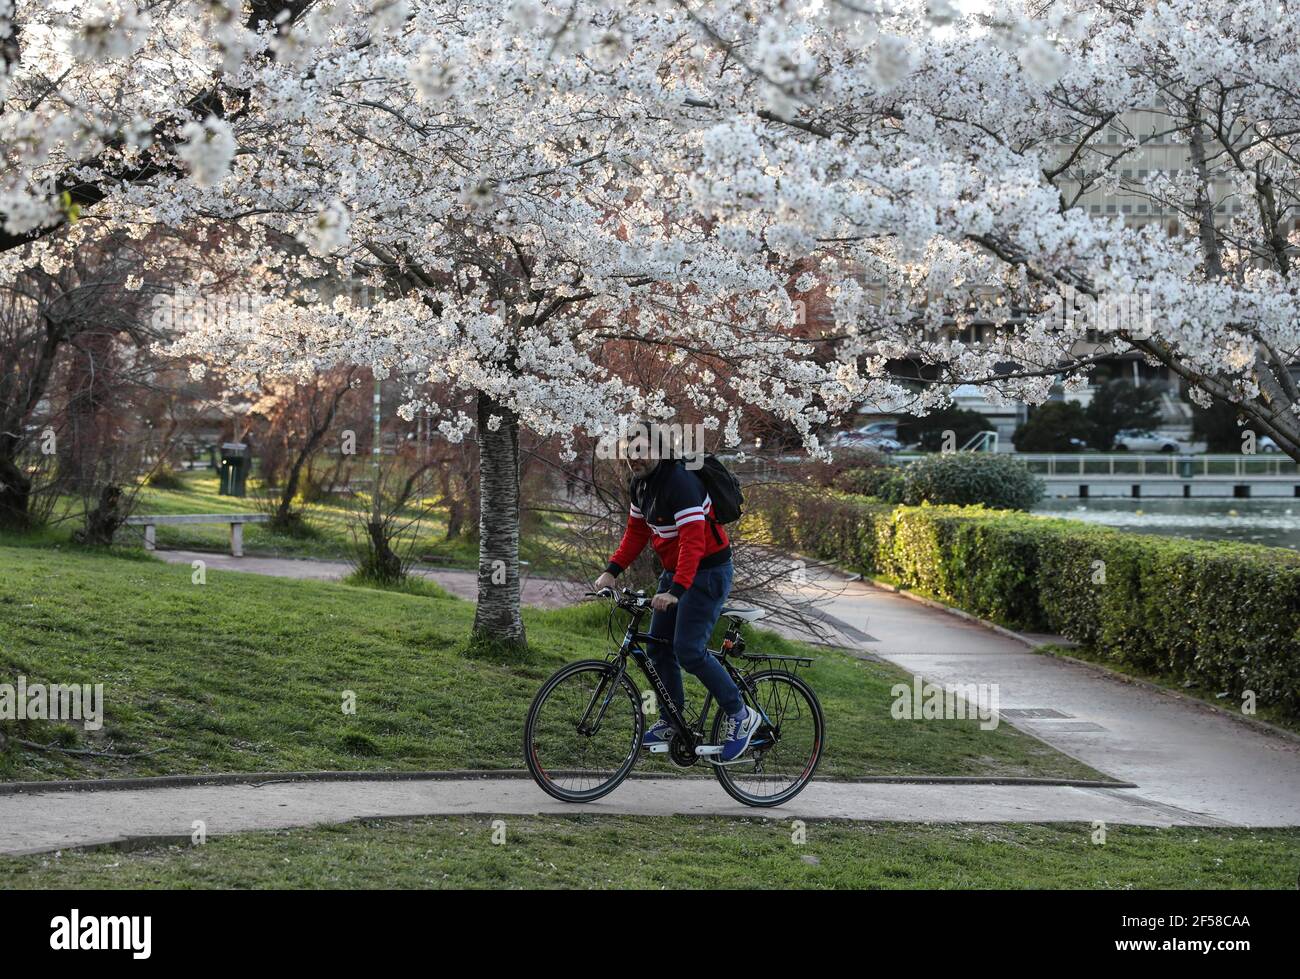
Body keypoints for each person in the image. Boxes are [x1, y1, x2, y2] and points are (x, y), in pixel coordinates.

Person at [593, 423, 759, 762]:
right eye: (629, 452)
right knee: (657, 648)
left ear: (660, 450)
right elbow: (636, 533)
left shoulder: (679, 482)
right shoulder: (640, 485)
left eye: (641, 451)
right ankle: (672, 719)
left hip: (708, 571)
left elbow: (694, 541)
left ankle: (741, 716)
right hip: (678, 571)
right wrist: (611, 571)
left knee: (688, 649)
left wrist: (676, 591)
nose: (633, 458)